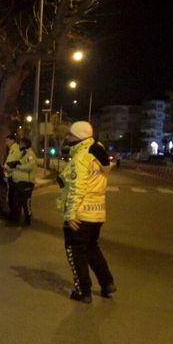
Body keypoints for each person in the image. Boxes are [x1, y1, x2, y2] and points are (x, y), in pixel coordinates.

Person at [57, 120, 116, 303]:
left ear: (79, 137)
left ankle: (83, 292)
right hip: (97, 213)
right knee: (92, 249)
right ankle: (107, 283)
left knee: (76, 252)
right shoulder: (97, 152)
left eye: (70, 134)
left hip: (81, 214)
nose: (67, 137)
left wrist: (70, 214)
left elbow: (78, 188)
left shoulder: (82, 157)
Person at [8, 137, 37, 225]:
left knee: (26, 202)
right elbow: (19, 164)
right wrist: (11, 167)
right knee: (17, 202)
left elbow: (30, 167)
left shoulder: (30, 154)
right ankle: (15, 220)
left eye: (21, 143)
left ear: (25, 144)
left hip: (27, 182)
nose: (19, 145)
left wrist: (17, 166)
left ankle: (27, 220)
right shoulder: (22, 153)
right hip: (19, 182)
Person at [3, 133, 22, 222]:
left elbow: (15, 163)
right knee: (11, 196)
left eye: (8, 141)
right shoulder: (11, 149)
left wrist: (7, 168)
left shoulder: (15, 149)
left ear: (13, 140)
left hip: (14, 176)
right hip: (10, 175)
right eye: (5, 141)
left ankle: (14, 216)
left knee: (13, 197)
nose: (6, 143)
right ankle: (12, 215)